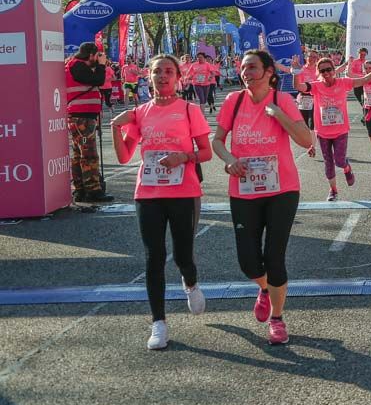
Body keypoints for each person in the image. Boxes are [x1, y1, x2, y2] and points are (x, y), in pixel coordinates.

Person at [109, 54, 212, 350]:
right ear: (148, 76)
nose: (163, 76)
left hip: (184, 192)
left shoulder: (190, 109)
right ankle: (159, 323)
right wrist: (116, 128)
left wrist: (184, 156)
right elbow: (124, 156)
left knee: (182, 255)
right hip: (148, 194)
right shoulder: (140, 112)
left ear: (178, 77)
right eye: (157, 72)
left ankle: (190, 282)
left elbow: (205, 152)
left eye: (169, 71)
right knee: (153, 257)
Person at [212, 50, 313, 346]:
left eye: (253, 67)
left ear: (269, 71)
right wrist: (230, 160)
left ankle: (278, 318)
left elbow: (307, 140)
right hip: (243, 189)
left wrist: (279, 115)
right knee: (248, 262)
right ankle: (265, 289)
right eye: (244, 68)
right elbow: (217, 140)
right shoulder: (234, 101)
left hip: (282, 189)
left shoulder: (282, 100)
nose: (246, 72)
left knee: (274, 256)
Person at [295, 55, 371, 201]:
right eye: (322, 71)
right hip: (323, 133)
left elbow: (364, 80)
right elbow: (298, 87)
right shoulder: (316, 86)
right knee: (328, 163)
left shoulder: (343, 83)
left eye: (329, 69)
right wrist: (295, 72)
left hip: (340, 131)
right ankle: (333, 190)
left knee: (340, 161)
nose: (326, 73)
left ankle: (347, 168)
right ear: (319, 72)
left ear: (334, 70)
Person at [66, 42, 112, 203]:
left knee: (80, 154)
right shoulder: (76, 66)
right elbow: (98, 80)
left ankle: (81, 189)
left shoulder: (75, 65)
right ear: (91, 54)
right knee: (89, 154)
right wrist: (101, 66)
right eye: (97, 56)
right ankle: (92, 190)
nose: (98, 59)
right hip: (82, 117)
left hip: (83, 115)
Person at [348, 48, 368, 113]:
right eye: (361, 54)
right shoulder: (354, 62)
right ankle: (366, 114)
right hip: (356, 83)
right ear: (358, 53)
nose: (362, 56)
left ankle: (366, 115)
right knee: (361, 101)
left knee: (365, 101)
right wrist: (360, 76)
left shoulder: (367, 62)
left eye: (364, 55)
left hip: (364, 84)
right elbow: (350, 73)